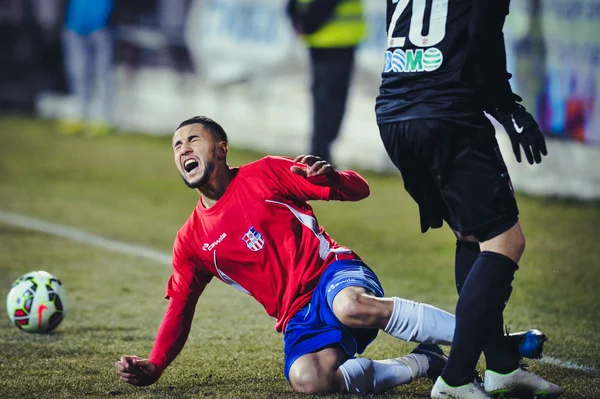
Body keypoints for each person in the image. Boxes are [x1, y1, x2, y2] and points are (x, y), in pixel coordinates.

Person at [114, 116, 542, 394]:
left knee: (350, 306)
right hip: (298, 316)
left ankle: (494, 343)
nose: (184, 149)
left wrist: (334, 177)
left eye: (193, 140)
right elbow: (180, 308)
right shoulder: (191, 240)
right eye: (176, 146)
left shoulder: (264, 173)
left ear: (221, 148)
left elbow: (359, 189)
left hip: (333, 273)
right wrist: (155, 364)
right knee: (309, 379)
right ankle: (422, 361)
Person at [376, 1, 560, 398]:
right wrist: (510, 110)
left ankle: (502, 367)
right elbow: (482, 40)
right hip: (446, 116)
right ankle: (456, 378)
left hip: (394, 114)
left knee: (471, 237)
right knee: (505, 241)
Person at [286, 0, 365, 165]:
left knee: (323, 100)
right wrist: (307, 20)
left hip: (321, 32)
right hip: (337, 35)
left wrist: (299, 18)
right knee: (330, 102)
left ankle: (319, 154)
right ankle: (319, 155)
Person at [58, 0, 114, 136]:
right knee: (77, 73)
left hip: (101, 26)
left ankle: (101, 119)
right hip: (73, 25)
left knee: (102, 75)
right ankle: (78, 115)